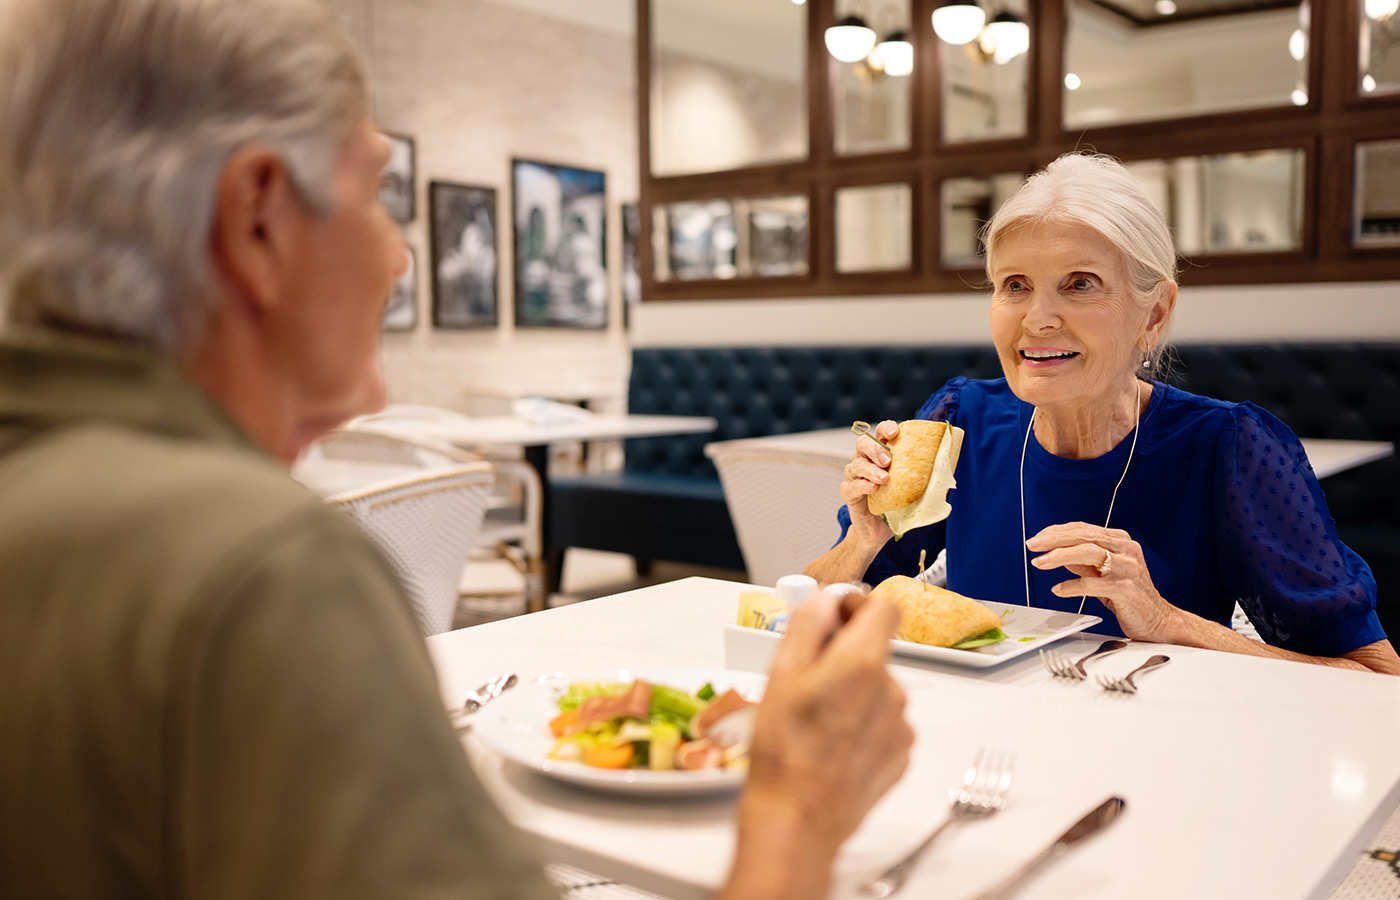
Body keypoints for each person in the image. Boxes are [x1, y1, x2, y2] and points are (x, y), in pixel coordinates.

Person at [0, 1, 913, 898]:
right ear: (259, 219)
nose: (400, 259)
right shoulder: (255, 567)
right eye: (373, 196)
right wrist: (798, 808)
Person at [807, 152, 1400, 676]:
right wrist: (861, 540)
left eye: (1080, 284)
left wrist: (1165, 620)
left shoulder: (1233, 447)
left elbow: (1374, 676)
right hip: (982, 753)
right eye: (1014, 285)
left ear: (1154, 315)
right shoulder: (960, 420)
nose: (1037, 318)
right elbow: (809, 610)